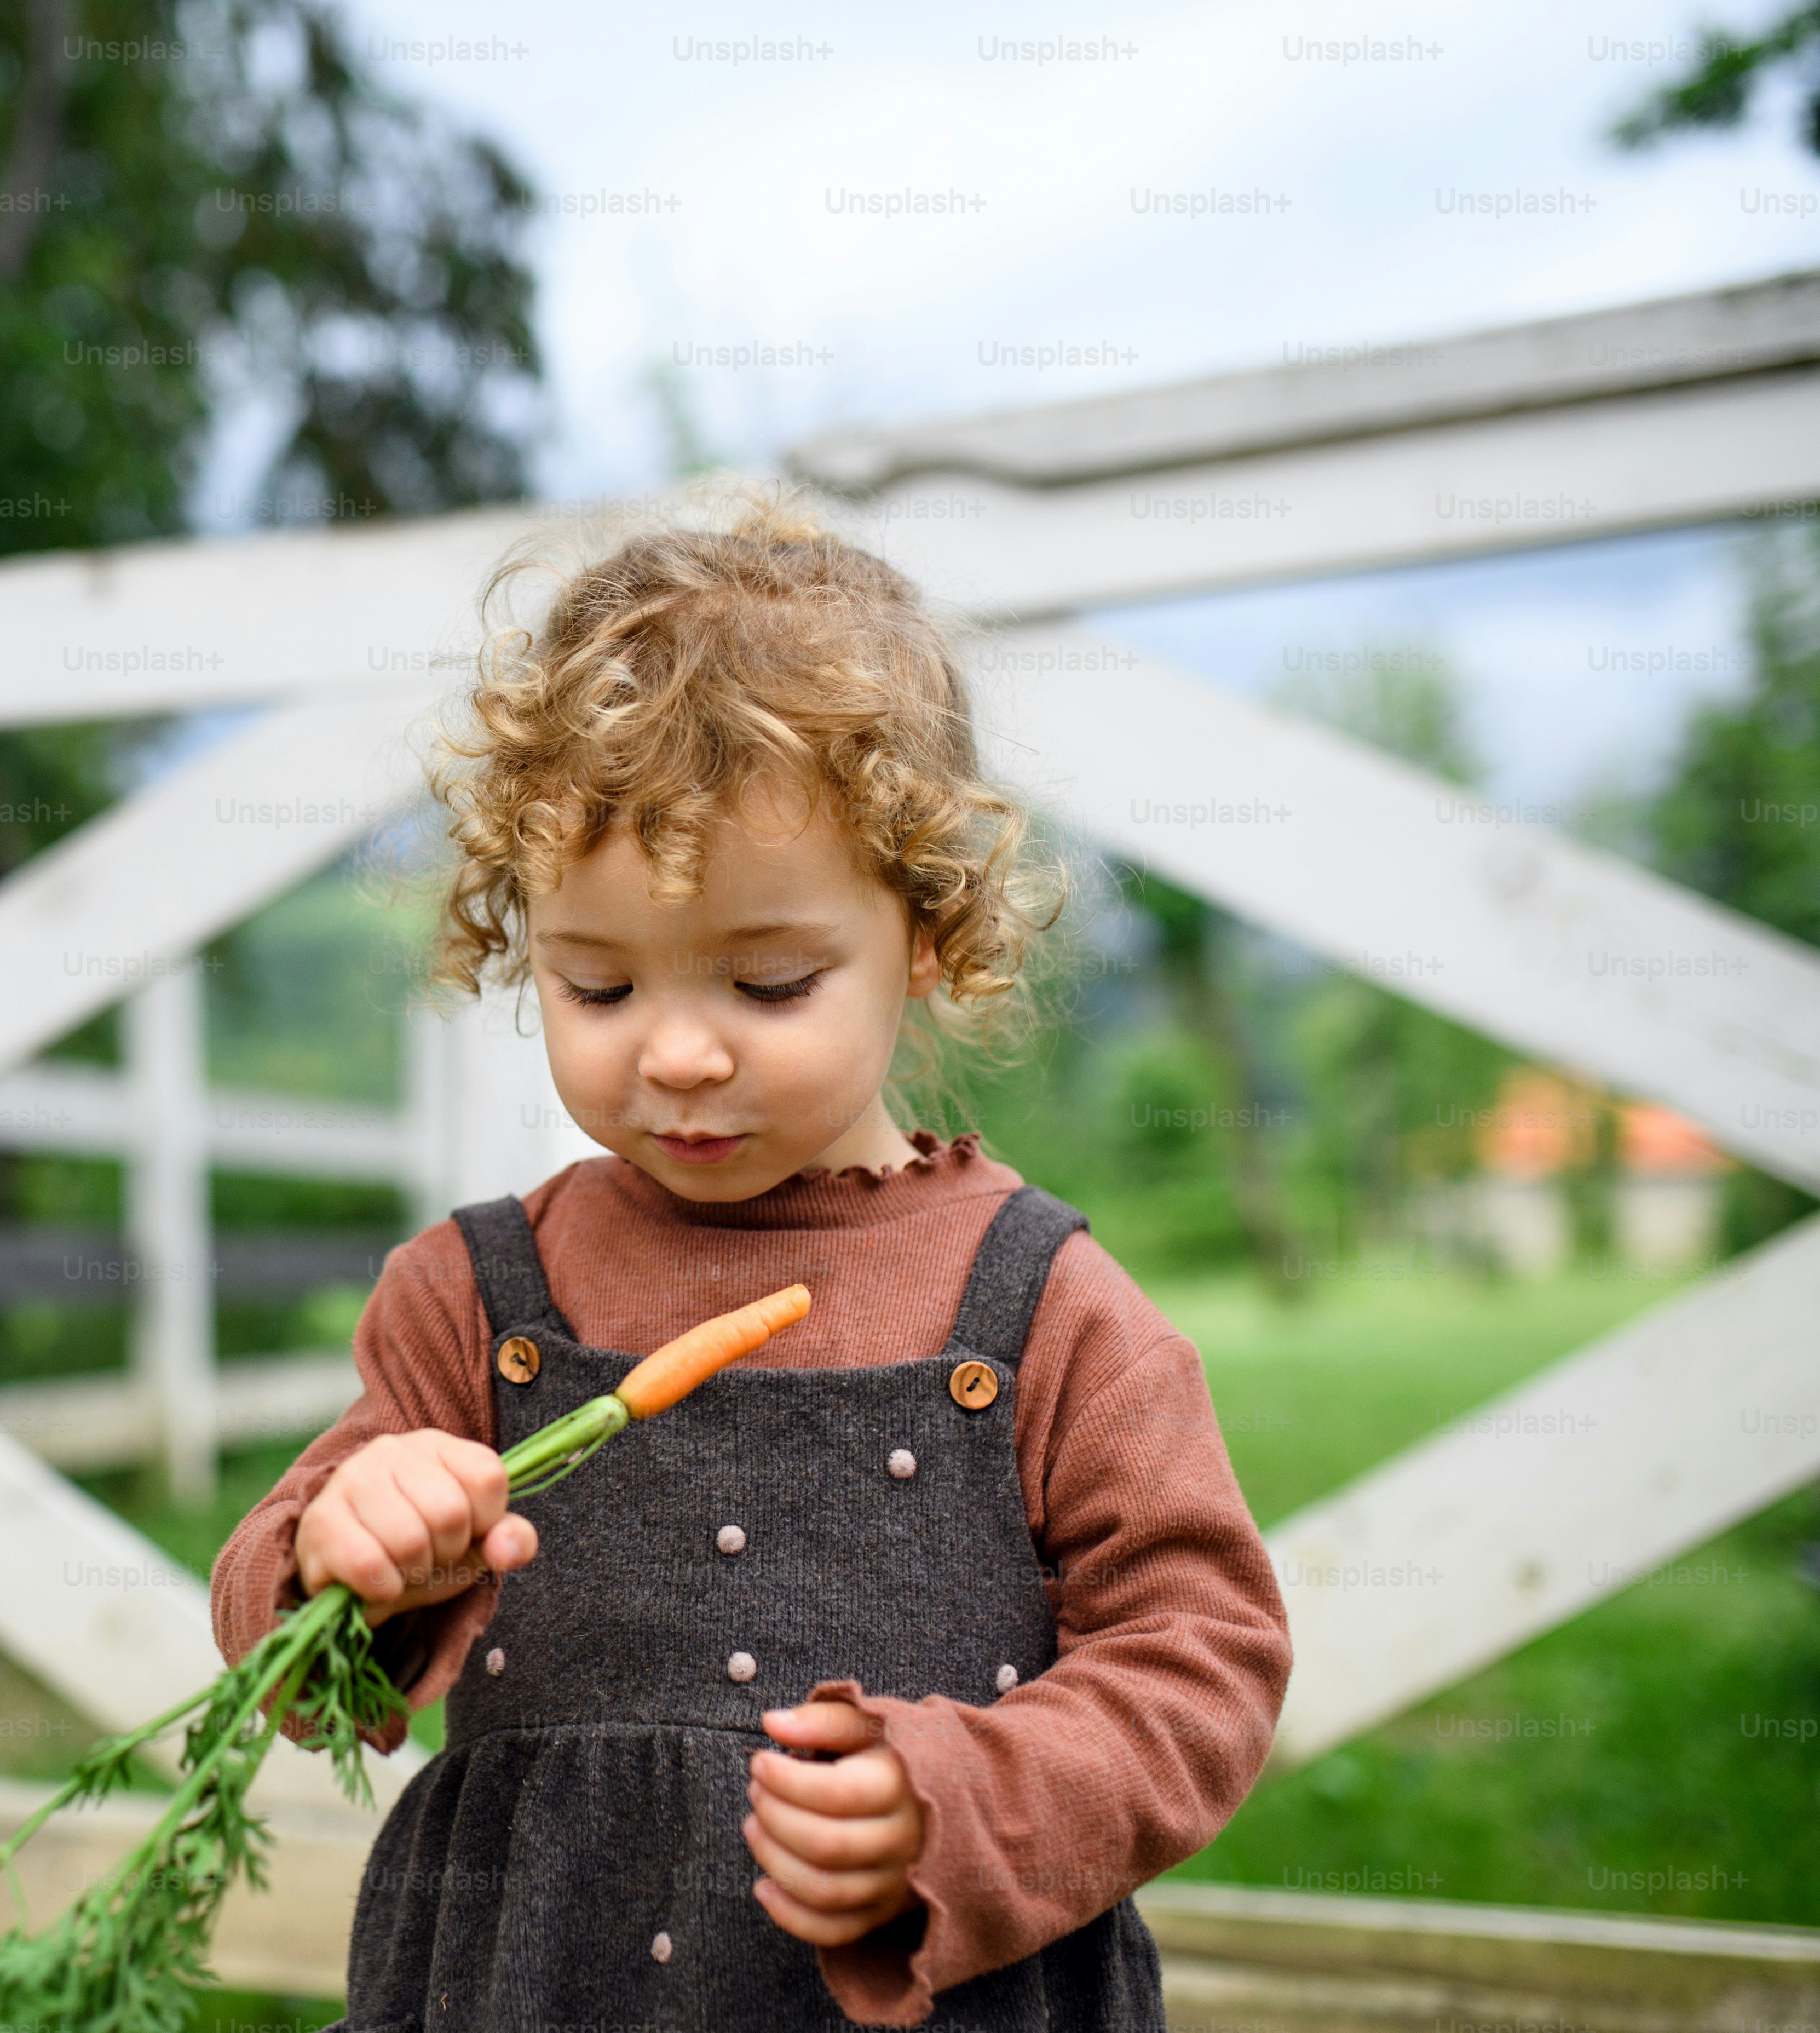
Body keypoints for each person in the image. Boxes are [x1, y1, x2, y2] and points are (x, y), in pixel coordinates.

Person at [208, 493, 1292, 2031]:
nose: (681, 1051)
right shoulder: (473, 1299)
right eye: (597, 983)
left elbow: (1206, 1659)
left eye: (770, 982)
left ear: (924, 934)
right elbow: (288, 1654)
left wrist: (969, 1802)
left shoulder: (1045, 1306)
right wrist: (346, 1550)